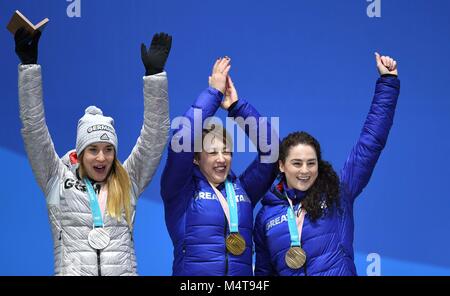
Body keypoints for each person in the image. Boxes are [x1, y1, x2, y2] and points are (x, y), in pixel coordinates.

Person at [15, 28, 171, 275]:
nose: (101, 157)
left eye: (109, 149)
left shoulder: (127, 180)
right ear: (80, 152)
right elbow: (34, 129)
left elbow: (155, 135)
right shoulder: (56, 180)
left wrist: (154, 77)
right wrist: (29, 67)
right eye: (93, 150)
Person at [254, 53, 401, 276]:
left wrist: (387, 84)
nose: (305, 171)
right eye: (297, 163)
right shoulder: (266, 216)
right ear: (282, 166)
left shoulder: (336, 193)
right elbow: (263, 274)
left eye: (311, 163)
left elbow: (370, 143)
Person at [161, 57, 279, 275]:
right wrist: (213, 94)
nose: (222, 158)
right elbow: (183, 138)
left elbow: (272, 150)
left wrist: (237, 107)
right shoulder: (179, 190)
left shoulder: (242, 190)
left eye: (226, 151)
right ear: (196, 158)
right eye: (212, 152)